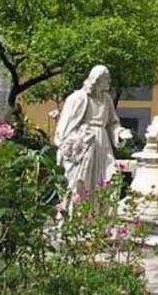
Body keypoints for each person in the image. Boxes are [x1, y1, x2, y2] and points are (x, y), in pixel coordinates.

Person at [54, 65, 131, 203]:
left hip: (103, 145)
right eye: (106, 79)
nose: (109, 81)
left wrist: (120, 133)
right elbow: (66, 126)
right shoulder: (78, 98)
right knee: (82, 181)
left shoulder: (106, 99)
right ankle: (76, 217)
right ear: (97, 80)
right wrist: (74, 143)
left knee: (109, 177)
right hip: (85, 146)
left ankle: (100, 218)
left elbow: (112, 123)